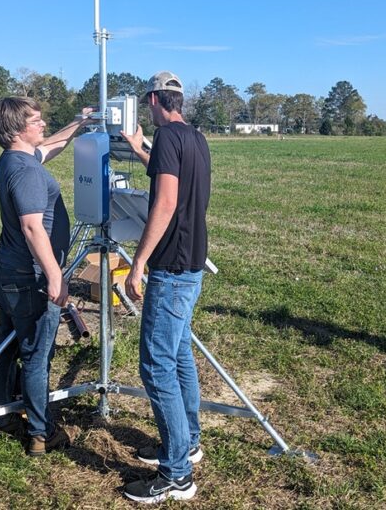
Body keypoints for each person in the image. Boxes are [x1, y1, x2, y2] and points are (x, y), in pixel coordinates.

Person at [119, 71, 211, 503]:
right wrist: (140, 150)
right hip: (191, 264)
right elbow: (168, 172)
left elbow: (167, 199)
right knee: (177, 355)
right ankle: (187, 444)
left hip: (171, 268)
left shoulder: (170, 140)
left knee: (156, 366)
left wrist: (138, 263)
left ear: (155, 100)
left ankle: (176, 474)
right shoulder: (193, 138)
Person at [0, 97, 95, 455]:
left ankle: (1, 413)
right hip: (31, 277)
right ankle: (40, 431)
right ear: (18, 129)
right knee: (36, 355)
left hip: (9, 271)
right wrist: (55, 276)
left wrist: (79, 123)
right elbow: (33, 227)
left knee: (8, 344)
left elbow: (51, 146)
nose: (44, 124)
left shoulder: (13, 159)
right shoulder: (27, 171)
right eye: (36, 120)